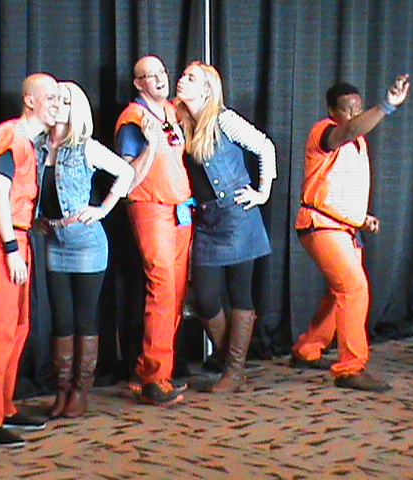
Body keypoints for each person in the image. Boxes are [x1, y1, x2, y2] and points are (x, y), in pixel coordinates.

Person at [291, 75, 411, 392]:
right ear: (333, 111)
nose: (354, 114)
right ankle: (350, 368)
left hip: (343, 225)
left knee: (339, 291)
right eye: (348, 109)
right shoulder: (325, 132)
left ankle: (307, 349)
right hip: (321, 225)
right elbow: (349, 130)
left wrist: (362, 218)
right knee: (354, 288)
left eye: (358, 108)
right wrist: (386, 106)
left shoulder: (359, 144)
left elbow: (337, 189)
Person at [174, 61, 277, 393]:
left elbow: (264, 146)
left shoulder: (223, 119)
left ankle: (232, 373)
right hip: (207, 220)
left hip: (237, 215)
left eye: (191, 78)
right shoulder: (179, 121)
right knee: (204, 298)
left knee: (239, 293)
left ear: (208, 89)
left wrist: (263, 192)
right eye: (183, 75)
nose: (182, 80)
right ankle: (233, 367)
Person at [0, 73, 59, 447]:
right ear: (30, 101)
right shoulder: (9, 137)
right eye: (50, 98)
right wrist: (10, 249)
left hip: (16, 237)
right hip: (0, 241)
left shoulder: (28, 143)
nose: (57, 105)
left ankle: (4, 408)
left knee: (18, 327)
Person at [37, 82, 134, 418]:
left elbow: (126, 171)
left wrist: (103, 209)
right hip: (55, 241)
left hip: (87, 243)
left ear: (75, 108)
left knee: (83, 317)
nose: (58, 106)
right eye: (54, 100)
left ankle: (80, 390)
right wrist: (36, 218)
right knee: (61, 319)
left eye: (65, 101)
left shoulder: (85, 148)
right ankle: (62, 390)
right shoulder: (38, 146)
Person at [114, 55, 193, 406]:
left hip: (180, 209)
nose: (160, 79)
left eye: (162, 72)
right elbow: (127, 175)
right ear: (138, 83)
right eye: (150, 75)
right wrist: (150, 144)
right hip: (151, 206)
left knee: (175, 291)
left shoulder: (173, 112)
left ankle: (152, 369)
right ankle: (154, 378)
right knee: (161, 286)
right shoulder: (134, 119)